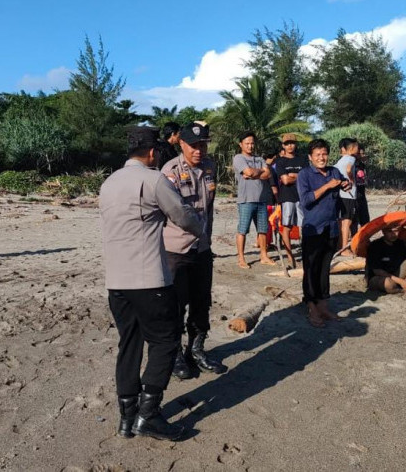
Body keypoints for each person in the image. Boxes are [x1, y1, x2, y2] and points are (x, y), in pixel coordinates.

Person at [99, 126, 204, 441]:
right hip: (149, 279)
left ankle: (126, 418)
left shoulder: (108, 182)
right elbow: (182, 215)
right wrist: (199, 225)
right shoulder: (154, 179)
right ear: (152, 152)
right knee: (165, 342)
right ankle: (149, 415)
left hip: (116, 281)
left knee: (128, 344)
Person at [162, 122, 224, 380]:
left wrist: (207, 239)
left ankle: (196, 350)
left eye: (203, 144)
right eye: (194, 145)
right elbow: (171, 212)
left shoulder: (210, 168)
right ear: (182, 144)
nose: (199, 150)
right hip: (177, 250)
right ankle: (175, 354)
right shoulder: (170, 171)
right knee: (176, 305)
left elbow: (208, 210)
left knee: (201, 302)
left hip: (202, 248)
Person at [297, 139, 351, 328]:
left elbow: (343, 182)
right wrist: (327, 186)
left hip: (331, 228)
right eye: (318, 154)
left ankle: (323, 305)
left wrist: (345, 184)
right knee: (311, 269)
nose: (322, 157)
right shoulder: (304, 175)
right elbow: (306, 200)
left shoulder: (334, 171)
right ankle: (311, 307)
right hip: (313, 228)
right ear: (310, 157)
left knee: (325, 268)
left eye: (324, 154)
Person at [233, 131, 275, 268]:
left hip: (261, 199)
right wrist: (257, 172)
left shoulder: (259, 158)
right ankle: (241, 258)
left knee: (263, 229)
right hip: (246, 200)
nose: (250, 146)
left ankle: (264, 255)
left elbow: (267, 174)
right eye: (247, 143)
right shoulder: (238, 158)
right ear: (241, 144)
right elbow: (248, 172)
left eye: (252, 143)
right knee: (243, 229)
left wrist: (253, 174)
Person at [274, 133, 307, 268]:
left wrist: (293, 176)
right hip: (287, 197)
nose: (290, 146)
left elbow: (306, 178)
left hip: (301, 196)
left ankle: (306, 253)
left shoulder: (303, 160)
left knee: (303, 226)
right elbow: (285, 180)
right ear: (283, 145)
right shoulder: (280, 162)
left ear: (296, 144)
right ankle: (289, 255)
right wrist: (296, 177)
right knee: (286, 226)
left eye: (292, 143)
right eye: (287, 143)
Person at [366, 223, 406, 294]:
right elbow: (377, 271)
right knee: (387, 283)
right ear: (383, 231)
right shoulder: (375, 246)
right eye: (390, 231)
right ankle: (401, 290)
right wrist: (401, 281)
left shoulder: (401, 242)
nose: (394, 234)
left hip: (396, 273)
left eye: (396, 231)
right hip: (379, 277)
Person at [334, 137, 359, 256]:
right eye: (356, 147)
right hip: (349, 195)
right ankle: (344, 248)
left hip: (340, 194)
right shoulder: (351, 158)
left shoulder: (340, 161)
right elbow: (349, 169)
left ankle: (340, 246)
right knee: (347, 222)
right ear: (351, 148)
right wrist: (352, 179)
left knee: (341, 221)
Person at [353, 145, 370, 231]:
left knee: (365, 219)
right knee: (354, 220)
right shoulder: (352, 165)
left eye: (363, 154)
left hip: (362, 194)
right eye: (360, 154)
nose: (362, 156)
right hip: (354, 196)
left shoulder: (362, 165)